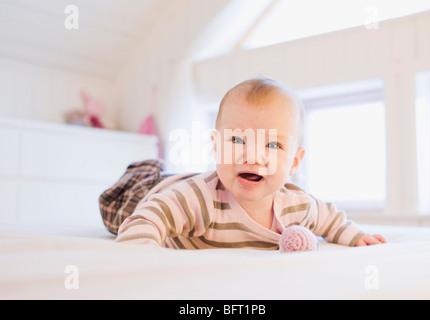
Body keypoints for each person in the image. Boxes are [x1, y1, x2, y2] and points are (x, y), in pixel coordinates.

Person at [100, 77, 386, 249]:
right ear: (216, 146)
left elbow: (330, 219)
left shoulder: (297, 207)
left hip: (181, 184)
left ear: (295, 161)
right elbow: (148, 219)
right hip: (151, 191)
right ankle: (146, 171)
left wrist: (356, 236)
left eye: (273, 145)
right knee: (118, 213)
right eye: (237, 140)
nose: (252, 156)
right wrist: (143, 249)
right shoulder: (198, 199)